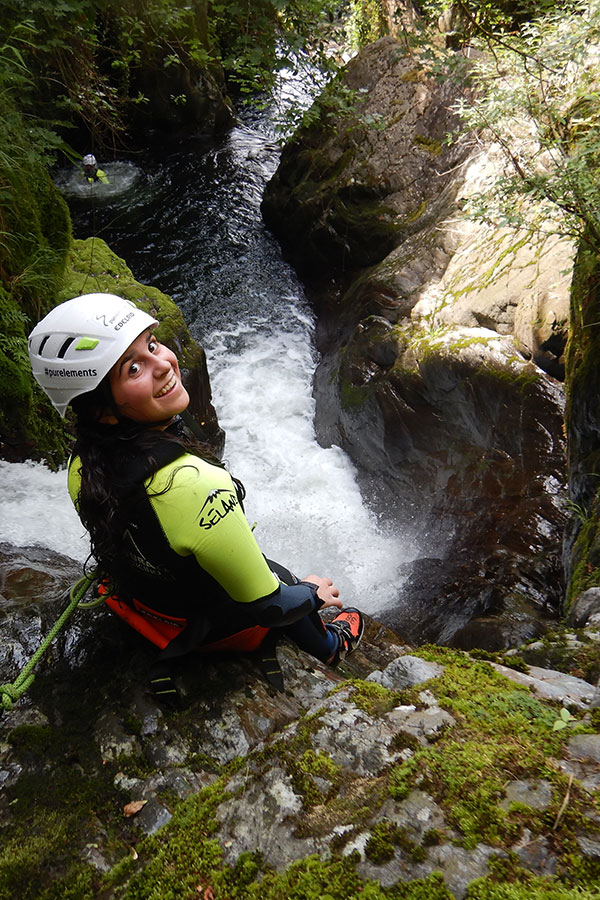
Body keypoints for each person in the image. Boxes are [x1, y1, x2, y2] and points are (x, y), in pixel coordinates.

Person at [28, 293, 364, 698]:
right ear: (103, 410)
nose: (165, 364)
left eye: (151, 346)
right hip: (204, 622)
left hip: (151, 600)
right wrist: (310, 592)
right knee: (286, 580)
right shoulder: (192, 484)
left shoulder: (82, 463)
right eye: (133, 368)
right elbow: (271, 606)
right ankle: (330, 646)